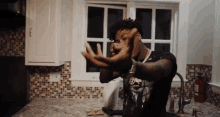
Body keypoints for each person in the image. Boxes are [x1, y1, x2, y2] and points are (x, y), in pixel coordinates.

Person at [81, 18, 177, 117]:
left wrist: (131, 66)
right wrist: (111, 57)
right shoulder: (124, 63)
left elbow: (158, 70)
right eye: (118, 41)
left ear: (138, 36)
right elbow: (104, 78)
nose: (122, 45)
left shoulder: (165, 58)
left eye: (125, 38)